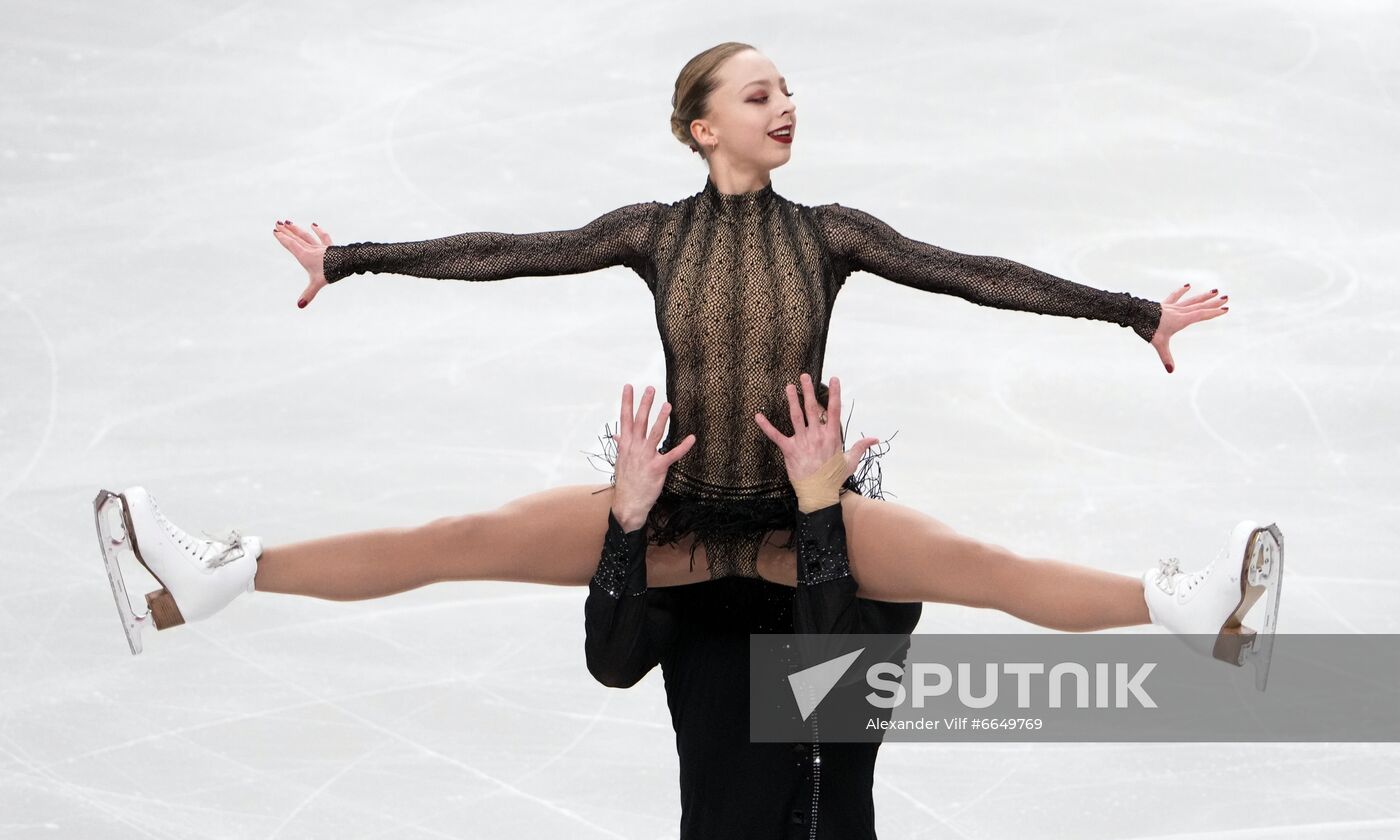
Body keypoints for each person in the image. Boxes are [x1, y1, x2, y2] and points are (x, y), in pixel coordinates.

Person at [94, 41, 1282, 687]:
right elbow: (508, 251)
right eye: (758, 93)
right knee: (451, 541)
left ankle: (1190, 610)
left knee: (981, 565)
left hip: (788, 508)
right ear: (702, 124)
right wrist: (351, 257)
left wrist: (1136, 312)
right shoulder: (648, 231)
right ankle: (215, 579)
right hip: (663, 511)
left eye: (790, 92)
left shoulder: (833, 234)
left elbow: (973, 271)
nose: (785, 106)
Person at [584, 373, 922, 839]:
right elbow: (612, 664)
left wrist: (819, 507)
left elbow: (824, 691)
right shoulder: (690, 573)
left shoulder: (881, 572)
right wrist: (629, 517)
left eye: (811, 441)